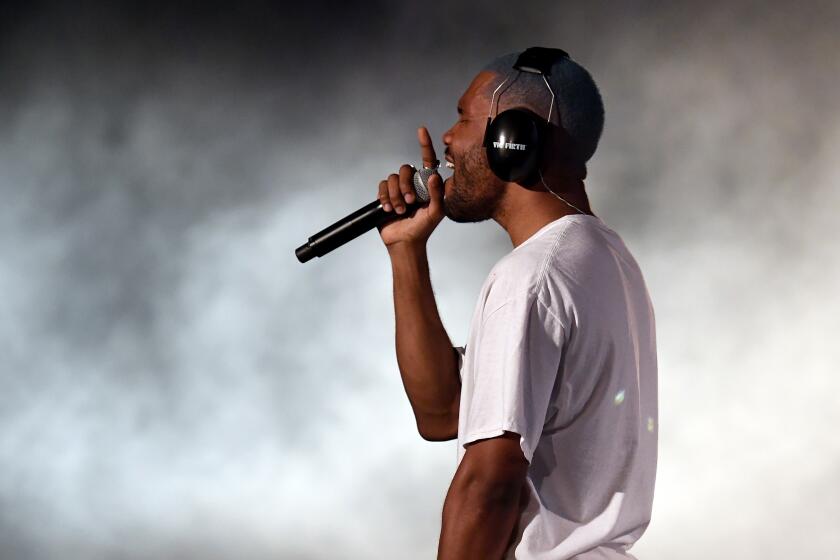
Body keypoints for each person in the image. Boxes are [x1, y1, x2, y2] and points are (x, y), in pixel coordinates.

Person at [375, 48, 657, 560]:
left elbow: (489, 483)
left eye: (463, 118)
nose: (447, 140)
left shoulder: (531, 278)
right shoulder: (602, 257)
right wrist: (406, 251)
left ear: (514, 137)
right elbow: (443, 414)